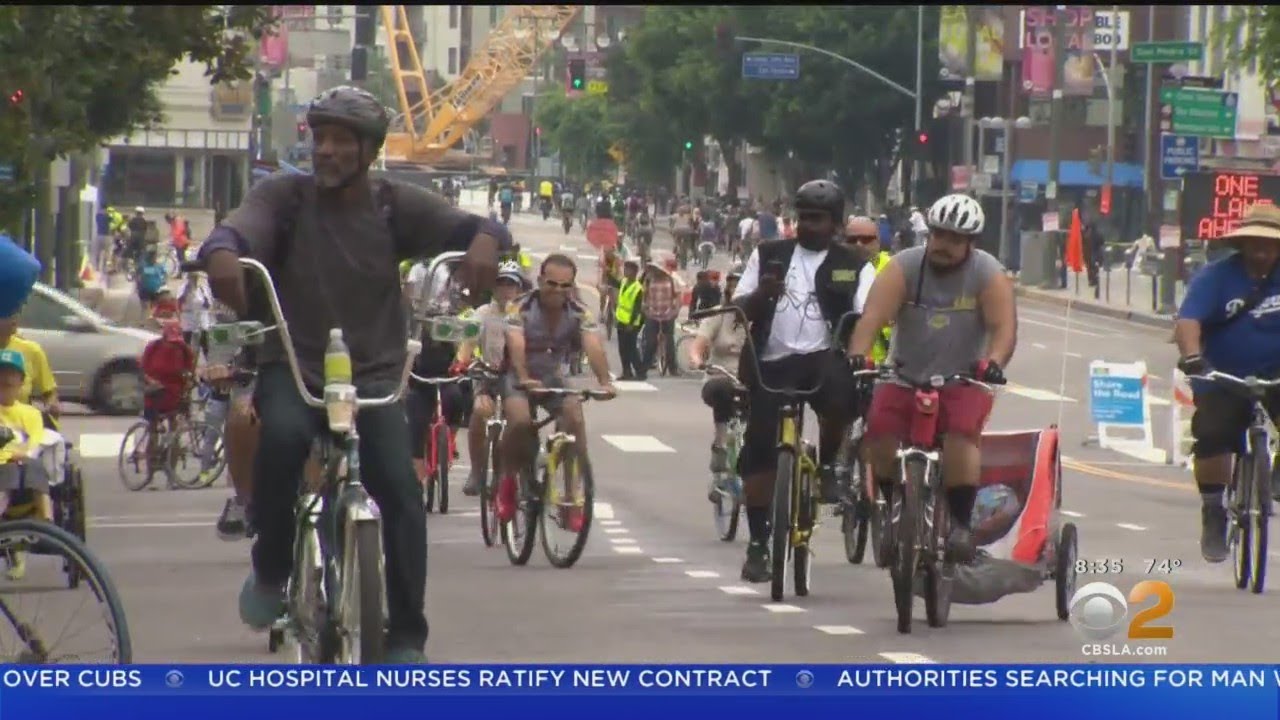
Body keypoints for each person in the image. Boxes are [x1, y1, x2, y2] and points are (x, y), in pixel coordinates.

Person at [196, 85, 508, 663]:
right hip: (295, 365)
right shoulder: (284, 197)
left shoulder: (394, 204)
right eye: (321, 138)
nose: (327, 151)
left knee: (400, 487)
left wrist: (487, 243)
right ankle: (271, 572)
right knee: (283, 439)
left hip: (377, 375)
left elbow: (476, 228)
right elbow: (234, 231)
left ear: (368, 150)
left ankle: (409, 632)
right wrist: (220, 257)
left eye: (343, 140)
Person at [847, 193, 1016, 564]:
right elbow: (872, 318)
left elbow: (1003, 329)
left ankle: (958, 524)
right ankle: (893, 504)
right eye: (939, 235)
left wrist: (994, 361)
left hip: (963, 379)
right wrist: (859, 355)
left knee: (960, 435)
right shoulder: (904, 267)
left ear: (971, 243)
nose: (944, 245)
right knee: (879, 432)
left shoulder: (987, 274)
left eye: (955, 239)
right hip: (904, 373)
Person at [729, 180, 865, 583]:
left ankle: (827, 468)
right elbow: (738, 305)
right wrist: (760, 298)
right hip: (772, 361)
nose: (810, 226)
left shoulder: (855, 263)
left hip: (824, 358)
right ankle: (757, 543)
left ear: (836, 223)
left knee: (842, 392)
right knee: (758, 451)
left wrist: (856, 348)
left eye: (819, 219)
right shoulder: (768, 255)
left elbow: (866, 314)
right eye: (804, 217)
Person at [1174, 203, 1280, 563]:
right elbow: (1188, 320)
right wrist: (1193, 358)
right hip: (1224, 374)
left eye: (1270, 244)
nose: (1262, 250)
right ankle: (1214, 511)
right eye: (1256, 243)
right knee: (1213, 434)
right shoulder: (1216, 277)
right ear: (1243, 243)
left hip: (1276, 371)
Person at [495, 254, 616, 531]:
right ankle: (507, 481)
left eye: (565, 285)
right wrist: (525, 378)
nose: (558, 291)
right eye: (552, 284)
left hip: (552, 376)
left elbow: (592, 344)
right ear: (539, 281)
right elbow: (515, 342)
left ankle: (571, 496)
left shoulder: (579, 311)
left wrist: (604, 380)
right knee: (521, 422)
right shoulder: (519, 307)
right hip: (518, 375)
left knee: (574, 416)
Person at [454, 261, 525, 496]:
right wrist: (462, 361)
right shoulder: (482, 314)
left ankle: (507, 474)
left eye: (511, 284)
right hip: (486, 375)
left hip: (515, 378)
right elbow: (468, 341)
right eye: (501, 283)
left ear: (519, 289)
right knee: (479, 414)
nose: (506, 289)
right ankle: (476, 472)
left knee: (519, 424)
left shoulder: (525, 314)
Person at [687, 265, 747, 490]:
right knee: (721, 390)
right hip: (722, 376)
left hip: (752, 379)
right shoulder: (718, 315)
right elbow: (699, 343)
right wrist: (696, 358)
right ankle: (720, 444)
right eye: (734, 286)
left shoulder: (763, 317)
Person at [0, 349, 49, 580]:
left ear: (21, 382)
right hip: (2, 465)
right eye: (2, 374)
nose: (6, 379)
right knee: (7, 472)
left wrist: (24, 453)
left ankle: (47, 521)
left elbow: (36, 439)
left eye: (11, 375)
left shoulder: (30, 413)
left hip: (25, 464)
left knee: (35, 467)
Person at [140, 320, 197, 486]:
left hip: (174, 395)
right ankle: (150, 474)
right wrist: (151, 381)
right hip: (155, 394)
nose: (173, 345)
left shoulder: (185, 351)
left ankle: (171, 475)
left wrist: (189, 380)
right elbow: (143, 370)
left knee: (175, 434)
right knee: (153, 432)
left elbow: (189, 371)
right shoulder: (153, 347)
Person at [845, 216, 893, 365]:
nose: (859, 244)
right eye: (852, 240)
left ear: (878, 241)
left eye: (866, 239)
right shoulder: (834, 269)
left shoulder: (894, 269)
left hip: (886, 363)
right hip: (847, 362)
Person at [0, 314, 59, 418]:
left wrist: (52, 406)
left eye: (15, 312)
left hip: (21, 425)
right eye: (7, 313)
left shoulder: (32, 350)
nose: (14, 318)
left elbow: (49, 393)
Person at [641, 259, 681, 379]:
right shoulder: (648, 280)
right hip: (652, 314)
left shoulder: (671, 279)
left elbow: (678, 296)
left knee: (669, 342)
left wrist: (676, 310)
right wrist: (644, 308)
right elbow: (644, 295)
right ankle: (643, 368)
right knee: (650, 342)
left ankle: (673, 368)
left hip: (668, 315)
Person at [614, 260, 646, 380]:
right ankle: (626, 372)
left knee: (631, 349)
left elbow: (637, 308)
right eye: (625, 269)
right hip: (621, 320)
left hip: (631, 323)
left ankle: (640, 372)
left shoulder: (638, 288)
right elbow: (615, 283)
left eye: (629, 270)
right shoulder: (624, 282)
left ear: (635, 272)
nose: (626, 272)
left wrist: (631, 323)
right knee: (622, 349)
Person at [178, 271, 214, 357]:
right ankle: (185, 360)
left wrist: (205, 299)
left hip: (201, 315)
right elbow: (179, 302)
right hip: (188, 316)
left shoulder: (203, 289)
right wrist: (187, 291)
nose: (194, 280)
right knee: (187, 339)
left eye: (196, 278)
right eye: (192, 278)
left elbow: (208, 305)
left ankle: (207, 359)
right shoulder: (183, 288)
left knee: (204, 340)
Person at [137, 248, 168, 315]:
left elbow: (165, 275)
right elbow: (139, 277)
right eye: (152, 257)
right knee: (147, 308)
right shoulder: (144, 266)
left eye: (154, 257)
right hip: (147, 290)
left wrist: (164, 281)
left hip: (154, 290)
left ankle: (148, 318)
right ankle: (146, 319)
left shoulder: (158, 266)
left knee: (151, 308)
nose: (153, 259)